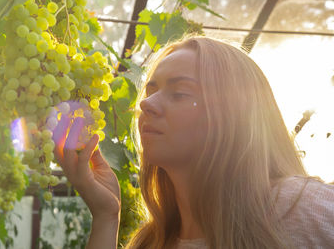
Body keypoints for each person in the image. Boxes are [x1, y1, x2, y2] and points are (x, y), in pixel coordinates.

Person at [54, 35, 334, 249]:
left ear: (235, 115)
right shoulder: (152, 242)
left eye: (179, 93)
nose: (146, 103)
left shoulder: (303, 210)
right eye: (151, 90)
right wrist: (106, 215)